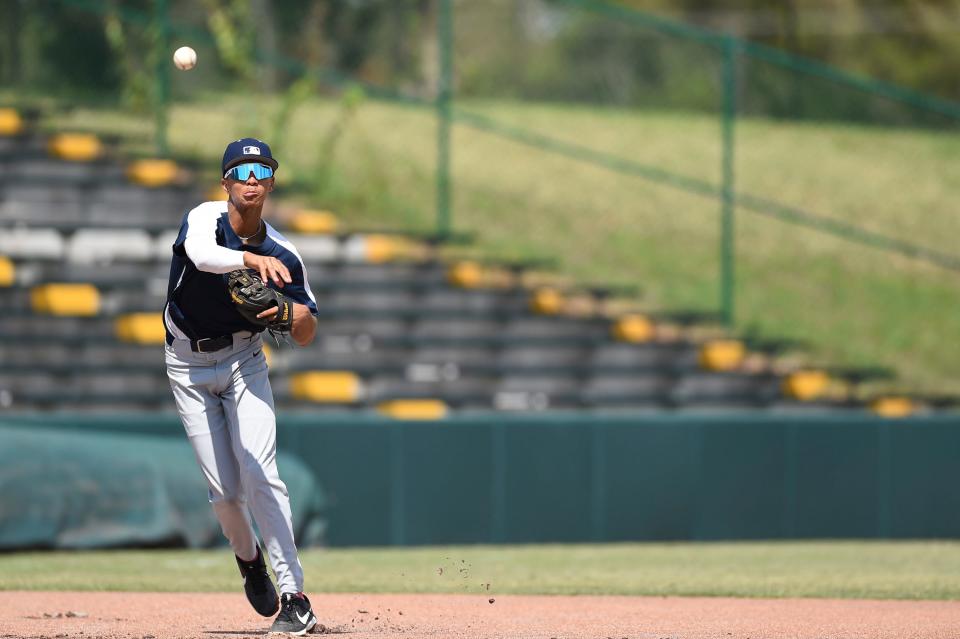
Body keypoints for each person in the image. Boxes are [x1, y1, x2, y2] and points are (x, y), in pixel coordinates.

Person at [163, 137, 320, 635]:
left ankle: (295, 597)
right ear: (226, 181)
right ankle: (249, 560)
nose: (252, 180)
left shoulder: (285, 252)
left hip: (244, 361)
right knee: (225, 494)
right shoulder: (204, 219)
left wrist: (288, 313)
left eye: (261, 172)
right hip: (186, 365)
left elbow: (308, 326)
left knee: (259, 469)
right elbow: (203, 256)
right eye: (242, 172)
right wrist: (251, 263)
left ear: (271, 182)